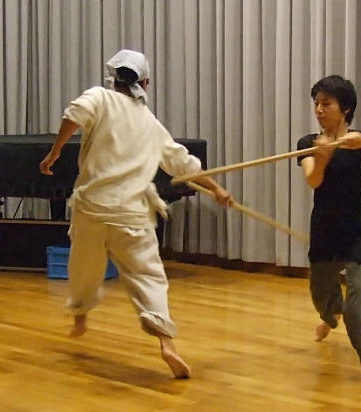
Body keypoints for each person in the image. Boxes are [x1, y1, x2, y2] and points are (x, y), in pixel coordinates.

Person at [40, 49, 232, 379]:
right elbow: (184, 165)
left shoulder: (99, 97)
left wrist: (55, 152)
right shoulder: (150, 123)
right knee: (148, 276)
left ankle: (81, 316)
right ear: (146, 83)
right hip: (131, 214)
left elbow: (73, 114)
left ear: (112, 77)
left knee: (84, 267)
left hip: (92, 208)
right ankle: (167, 344)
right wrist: (216, 189)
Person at [296, 75, 361, 384]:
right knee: (321, 296)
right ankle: (330, 318)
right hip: (325, 233)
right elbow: (313, 181)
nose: (318, 109)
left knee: (360, 297)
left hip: (359, 232)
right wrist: (322, 158)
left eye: (326, 104)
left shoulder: (357, 141)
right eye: (316, 103)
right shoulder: (308, 144)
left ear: (346, 109)